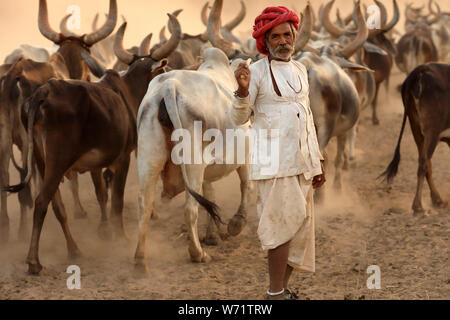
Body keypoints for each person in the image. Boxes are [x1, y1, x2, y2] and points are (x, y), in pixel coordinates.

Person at [230, 6, 326, 300]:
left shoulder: (300, 69)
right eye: (276, 36)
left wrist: (317, 160)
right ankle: (274, 294)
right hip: (273, 162)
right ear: (265, 42)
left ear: (294, 35)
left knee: (299, 228)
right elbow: (238, 119)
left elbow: (306, 116)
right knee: (279, 228)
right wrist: (243, 91)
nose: (283, 40)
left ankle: (282, 290)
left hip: (302, 162)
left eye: (287, 34)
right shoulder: (255, 72)